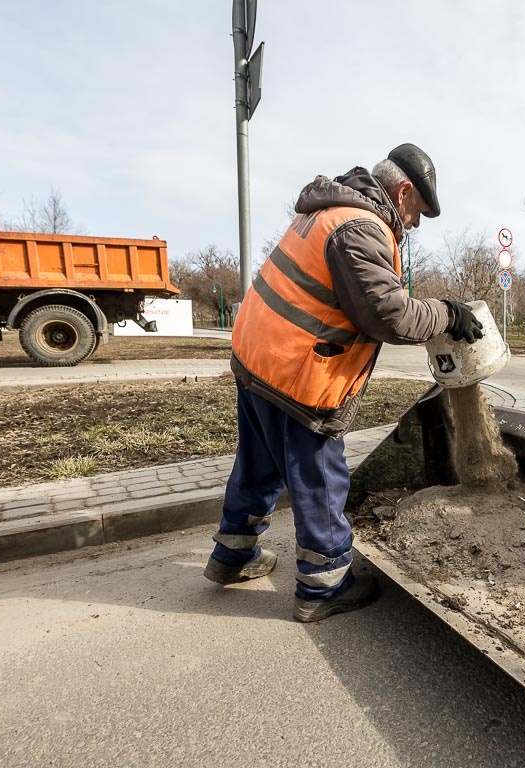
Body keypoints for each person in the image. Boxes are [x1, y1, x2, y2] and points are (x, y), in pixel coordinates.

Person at [203, 143, 484, 622]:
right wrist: (447, 314)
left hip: (257, 355)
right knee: (319, 477)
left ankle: (233, 554)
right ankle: (325, 583)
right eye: (417, 212)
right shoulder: (362, 227)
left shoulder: (328, 212)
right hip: (298, 371)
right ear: (402, 192)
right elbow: (388, 315)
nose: (413, 226)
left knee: (258, 465)